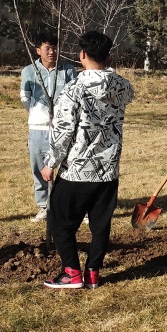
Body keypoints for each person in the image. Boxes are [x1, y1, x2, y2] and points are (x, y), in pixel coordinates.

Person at [41, 31, 135, 290]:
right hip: (108, 170)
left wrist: (50, 162)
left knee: (60, 220)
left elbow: (63, 130)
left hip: (78, 169)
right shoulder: (121, 86)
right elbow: (130, 93)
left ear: (82, 54)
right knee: (100, 224)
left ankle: (71, 272)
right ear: (108, 56)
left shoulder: (74, 89)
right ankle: (93, 272)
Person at [20, 31, 78, 221]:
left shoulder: (67, 70)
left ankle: (72, 206)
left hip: (64, 127)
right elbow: (25, 98)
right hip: (38, 127)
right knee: (39, 166)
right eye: (47, 48)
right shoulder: (29, 71)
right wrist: (38, 113)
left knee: (69, 166)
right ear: (38, 51)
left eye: (54, 48)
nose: (52, 52)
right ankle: (44, 205)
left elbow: (74, 96)